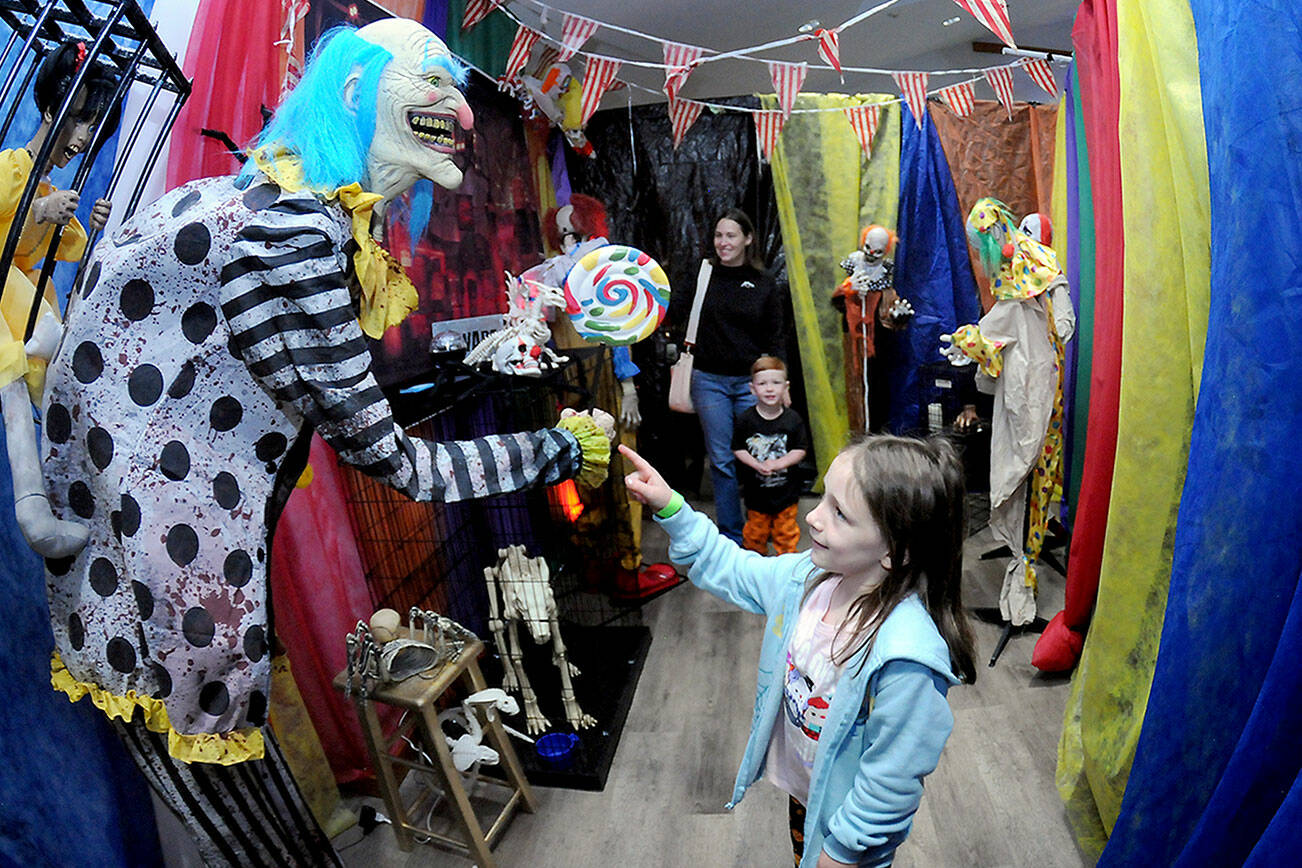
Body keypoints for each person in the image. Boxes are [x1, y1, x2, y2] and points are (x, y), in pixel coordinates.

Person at [621, 434, 976, 868]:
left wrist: (843, 852)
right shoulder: (805, 579)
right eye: (823, 497)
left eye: (840, 514)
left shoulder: (906, 658)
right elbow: (732, 566)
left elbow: (892, 779)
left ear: (894, 552)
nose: (814, 518)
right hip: (808, 795)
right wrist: (671, 507)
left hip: (853, 832)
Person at [2, 39, 118, 558]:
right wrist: (37, 212)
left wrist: (83, 228)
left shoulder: (45, 184)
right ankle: (34, 511)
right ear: (51, 109)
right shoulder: (9, 169)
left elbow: (58, 252)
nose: (83, 138)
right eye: (78, 120)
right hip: (10, 309)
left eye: (93, 126)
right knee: (29, 359)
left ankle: (90, 490)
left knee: (57, 380)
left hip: (27, 310)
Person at [667, 207, 784, 542]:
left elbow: (775, 336)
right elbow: (672, 309)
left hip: (751, 384)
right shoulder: (702, 276)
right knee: (721, 459)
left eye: (731, 235)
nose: (723, 242)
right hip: (709, 381)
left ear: (747, 239)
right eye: (719, 235)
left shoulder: (763, 284)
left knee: (758, 457)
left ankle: (762, 529)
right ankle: (732, 535)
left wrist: (778, 380)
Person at [732, 355, 808, 555]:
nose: (769, 388)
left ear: (786, 387)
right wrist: (756, 464)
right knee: (754, 536)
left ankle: (786, 569)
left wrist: (778, 463)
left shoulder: (793, 419)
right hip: (756, 495)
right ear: (752, 388)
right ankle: (756, 570)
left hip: (787, 494)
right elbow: (738, 448)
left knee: (786, 535)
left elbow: (800, 449)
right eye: (762, 383)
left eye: (776, 383)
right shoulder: (745, 419)